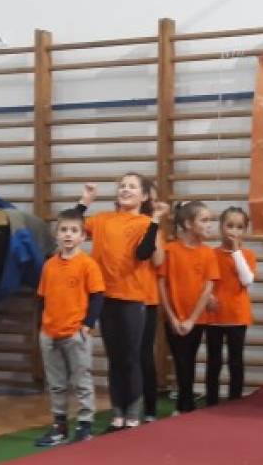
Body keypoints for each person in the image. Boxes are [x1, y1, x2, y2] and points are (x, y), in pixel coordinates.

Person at [77, 175, 166, 430]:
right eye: (122, 186)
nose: (125, 190)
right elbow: (69, 224)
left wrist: (155, 220)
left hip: (133, 299)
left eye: (132, 187)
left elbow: (144, 254)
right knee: (114, 358)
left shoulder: (145, 223)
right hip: (106, 298)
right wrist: (85, 200)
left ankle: (133, 414)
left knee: (131, 358)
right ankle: (117, 413)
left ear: (144, 196)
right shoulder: (102, 219)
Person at [34, 207, 105, 447]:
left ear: (82, 237)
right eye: (63, 230)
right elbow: (42, 298)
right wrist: (42, 327)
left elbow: (97, 296)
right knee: (56, 383)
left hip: (75, 334)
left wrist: (87, 325)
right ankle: (59, 426)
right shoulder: (49, 266)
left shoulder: (88, 265)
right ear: (56, 234)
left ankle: (85, 425)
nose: (68, 234)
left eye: (74, 231)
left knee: (82, 380)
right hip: (49, 333)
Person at [159, 201, 218, 414]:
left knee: (189, 361)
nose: (209, 225)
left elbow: (208, 287)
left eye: (210, 220)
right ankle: (184, 405)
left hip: (197, 320)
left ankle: (186, 405)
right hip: (174, 319)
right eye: (204, 220)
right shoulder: (170, 250)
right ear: (187, 224)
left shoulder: (208, 253)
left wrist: (192, 319)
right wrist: (172, 318)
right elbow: (162, 285)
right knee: (181, 361)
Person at [204, 206, 256, 406]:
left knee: (236, 361)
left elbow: (247, 280)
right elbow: (203, 281)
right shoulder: (210, 254)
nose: (234, 231)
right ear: (221, 227)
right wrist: (207, 297)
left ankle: (235, 402)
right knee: (214, 361)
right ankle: (211, 402)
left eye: (239, 227)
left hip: (237, 316)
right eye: (230, 226)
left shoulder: (247, 255)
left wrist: (236, 252)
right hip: (214, 316)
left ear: (245, 231)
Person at [138, 179, 164, 423]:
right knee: (123, 356)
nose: (155, 203)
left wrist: (154, 224)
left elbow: (158, 261)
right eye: (152, 199)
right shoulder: (119, 222)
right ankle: (124, 408)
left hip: (145, 299)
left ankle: (149, 408)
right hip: (120, 297)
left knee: (144, 353)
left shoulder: (152, 226)